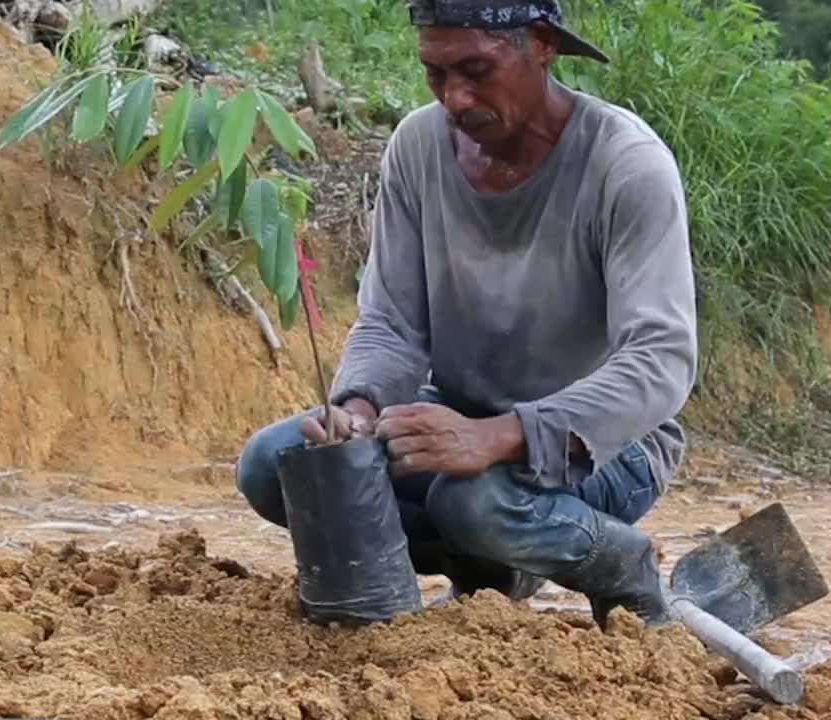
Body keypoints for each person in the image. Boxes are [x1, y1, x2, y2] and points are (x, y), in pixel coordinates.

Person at [234, 0, 699, 628]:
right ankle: (486, 573)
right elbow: (391, 323)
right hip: (460, 430)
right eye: (436, 74)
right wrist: (359, 409)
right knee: (279, 465)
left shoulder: (626, 165)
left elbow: (660, 362)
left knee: (473, 503)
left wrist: (498, 437)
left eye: (476, 70)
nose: (454, 98)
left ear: (540, 45)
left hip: (608, 447)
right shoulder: (418, 147)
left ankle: (621, 563)